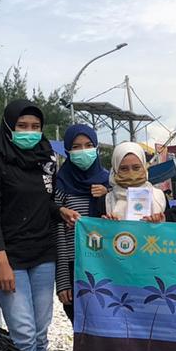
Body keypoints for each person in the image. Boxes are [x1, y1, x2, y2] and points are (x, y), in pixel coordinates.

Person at [0, 100, 78, 351]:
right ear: (9, 127)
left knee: (41, 331)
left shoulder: (46, 161)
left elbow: (42, 202)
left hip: (43, 255)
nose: (29, 131)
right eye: (22, 125)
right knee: (23, 333)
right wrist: (1, 261)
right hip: (11, 258)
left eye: (35, 126)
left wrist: (59, 211)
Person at [54, 123, 109, 322]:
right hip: (73, 267)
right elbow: (58, 233)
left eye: (88, 145)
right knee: (82, 328)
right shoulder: (61, 184)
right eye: (76, 147)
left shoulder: (109, 183)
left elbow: (119, 222)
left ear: (96, 147)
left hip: (107, 267)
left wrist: (107, 196)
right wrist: (62, 281)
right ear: (67, 150)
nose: (83, 151)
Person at [105, 142, 167, 222]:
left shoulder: (159, 197)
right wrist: (107, 225)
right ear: (115, 170)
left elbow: (168, 231)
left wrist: (159, 223)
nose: (131, 173)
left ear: (144, 167)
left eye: (136, 167)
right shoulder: (106, 201)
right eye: (124, 168)